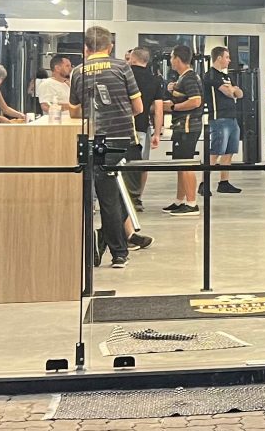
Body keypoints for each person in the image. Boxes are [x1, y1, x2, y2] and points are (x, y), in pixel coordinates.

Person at [71, 27, 142, 269]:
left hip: (92, 138)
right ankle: (118, 252)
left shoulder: (78, 71)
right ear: (110, 47)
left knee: (98, 194)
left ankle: (100, 241)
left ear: (86, 48)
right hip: (120, 138)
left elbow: (75, 111)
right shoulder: (122, 67)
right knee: (110, 196)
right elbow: (138, 107)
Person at [158, 43, 204, 213]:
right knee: (180, 164)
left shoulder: (190, 78)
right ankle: (180, 200)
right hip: (180, 126)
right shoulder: (182, 78)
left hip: (188, 127)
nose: (170, 61)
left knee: (186, 164)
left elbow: (195, 101)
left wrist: (173, 107)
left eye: (171, 57)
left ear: (177, 59)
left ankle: (191, 203)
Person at [123, 46, 162, 210]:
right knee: (141, 164)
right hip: (142, 126)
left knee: (120, 163)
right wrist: (157, 133)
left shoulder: (124, 75)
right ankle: (137, 198)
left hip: (122, 126)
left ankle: (122, 197)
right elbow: (158, 109)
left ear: (133, 59)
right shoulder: (155, 80)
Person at [205, 45, 245, 195]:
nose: (229, 60)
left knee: (229, 151)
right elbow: (229, 92)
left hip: (232, 118)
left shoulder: (226, 77)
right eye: (227, 57)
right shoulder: (211, 75)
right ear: (219, 58)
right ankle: (204, 183)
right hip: (219, 118)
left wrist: (233, 90)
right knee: (216, 151)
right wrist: (232, 90)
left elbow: (240, 94)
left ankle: (224, 182)